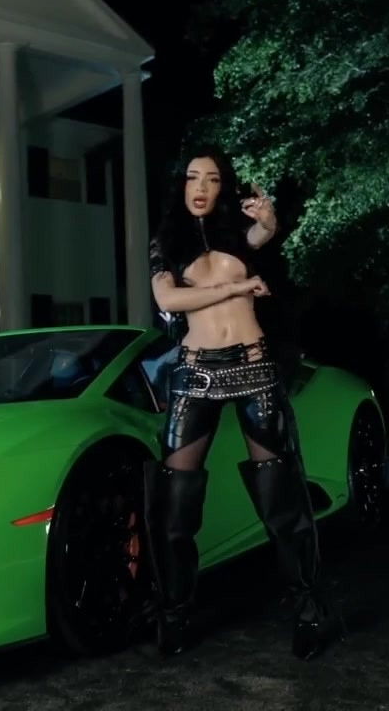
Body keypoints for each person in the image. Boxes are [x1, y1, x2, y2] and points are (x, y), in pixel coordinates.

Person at [143, 147, 336, 661]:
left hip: (253, 368)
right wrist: (236, 286)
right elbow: (168, 300)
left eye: (212, 179)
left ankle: (308, 611)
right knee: (174, 505)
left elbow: (264, 233)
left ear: (222, 188)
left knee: (281, 499)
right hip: (195, 374)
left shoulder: (237, 235)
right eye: (193, 178)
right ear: (181, 186)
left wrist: (269, 219)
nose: (201, 187)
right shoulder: (166, 241)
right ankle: (173, 613)